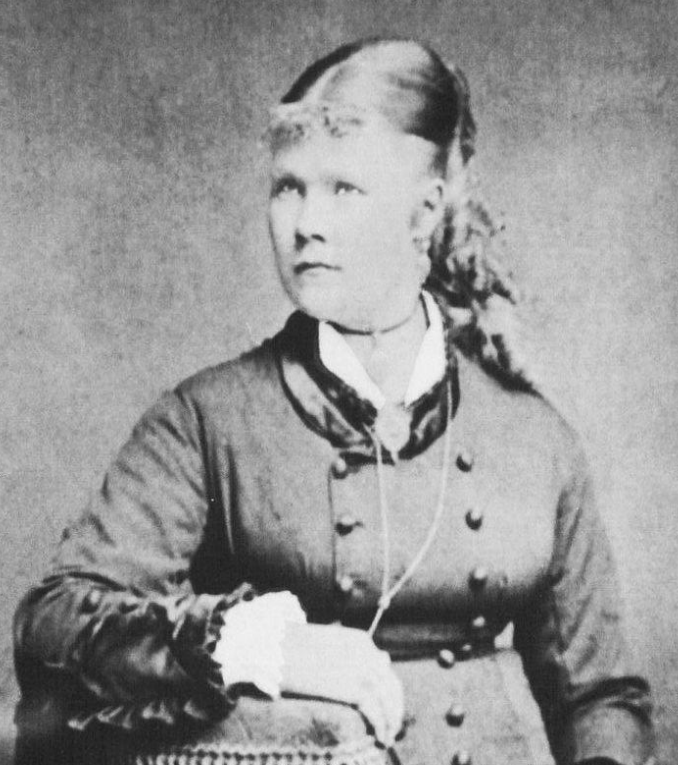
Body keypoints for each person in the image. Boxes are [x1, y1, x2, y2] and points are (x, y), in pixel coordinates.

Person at [13, 37, 654, 765]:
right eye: (289, 187)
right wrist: (266, 649)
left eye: (344, 189)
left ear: (424, 212)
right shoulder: (209, 420)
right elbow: (54, 622)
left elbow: (600, 697)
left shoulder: (531, 434)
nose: (306, 222)